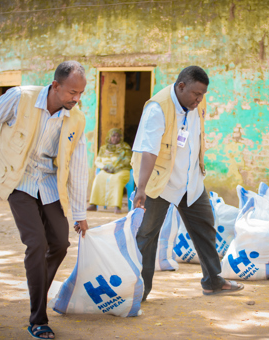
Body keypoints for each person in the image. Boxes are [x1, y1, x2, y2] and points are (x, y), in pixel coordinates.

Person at [131, 65, 243, 302]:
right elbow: (148, 151)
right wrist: (141, 189)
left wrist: (197, 173)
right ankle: (138, 291)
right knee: (147, 236)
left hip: (190, 181)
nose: (199, 99)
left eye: (202, 95)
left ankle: (213, 281)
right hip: (160, 183)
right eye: (195, 94)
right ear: (181, 87)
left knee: (205, 226)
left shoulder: (195, 103)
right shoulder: (157, 108)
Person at [0, 61, 89, 339]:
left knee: (60, 243)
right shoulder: (19, 97)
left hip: (49, 183)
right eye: (72, 92)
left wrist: (80, 212)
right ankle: (38, 318)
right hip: (17, 179)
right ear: (55, 85)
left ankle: (36, 288)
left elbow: (79, 165)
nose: (77, 99)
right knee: (36, 243)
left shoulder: (77, 119)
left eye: (81, 93)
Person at [87, 128, 132, 214]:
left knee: (116, 180)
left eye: (118, 136)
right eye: (113, 136)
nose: (116, 138)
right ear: (109, 137)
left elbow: (128, 160)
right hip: (107, 170)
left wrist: (116, 168)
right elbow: (98, 161)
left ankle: (117, 206)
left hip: (122, 170)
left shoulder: (125, 148)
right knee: (98, 178)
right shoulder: (104, 148)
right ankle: (93, 204)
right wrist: (104, 167)